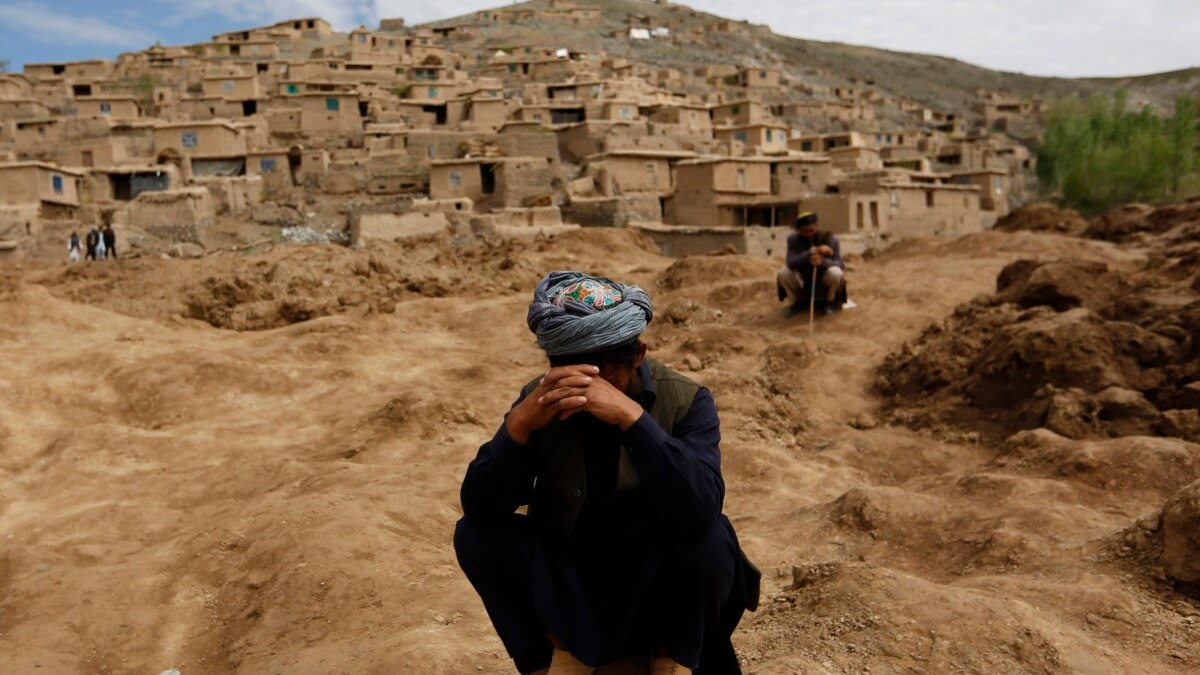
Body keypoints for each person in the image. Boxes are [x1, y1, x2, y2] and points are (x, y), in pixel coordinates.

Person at [455, 271, 759, 675]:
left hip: (656, 581)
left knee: (714, 537)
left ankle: (673, 657)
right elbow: (481, 507)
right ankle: (549, 659)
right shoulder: (540, 399)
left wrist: (633, 419)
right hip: (574, 580)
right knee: (475, 535)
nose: (584, 387)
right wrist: (519, 427)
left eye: (602, 373)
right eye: (570, 369)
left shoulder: (687, 399)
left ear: (637, 355)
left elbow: (701, 507)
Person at [776, 211, 846, 318]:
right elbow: (791, 262)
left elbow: (840, 264)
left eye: (811, 230)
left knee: (835, 273)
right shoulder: (793, 240)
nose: (809, 234)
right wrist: (811, 252)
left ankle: (829, 302)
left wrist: (823, 262)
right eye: (805, 231)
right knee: (783, 273)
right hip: (803, 278)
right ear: (798, 230)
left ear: (816, 226)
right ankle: (796, 303)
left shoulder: (830, 239)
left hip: (824, 279)